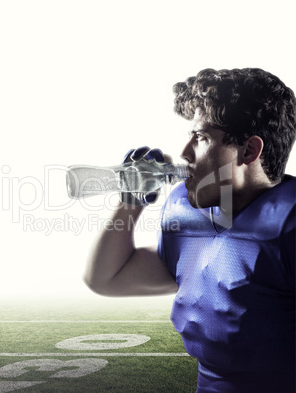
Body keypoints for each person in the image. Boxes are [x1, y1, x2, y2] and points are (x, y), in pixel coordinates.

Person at [83, 68, 295, 393]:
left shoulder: (288, 224)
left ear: (249, 151)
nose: (184, 153)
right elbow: (106, 278)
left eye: (201, 137)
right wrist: (130, 201)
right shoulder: (189, 211)